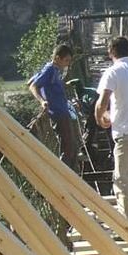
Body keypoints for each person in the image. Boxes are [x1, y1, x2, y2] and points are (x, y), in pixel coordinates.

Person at [95, 36, 128, 222]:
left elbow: (102, 101)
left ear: (111, 52)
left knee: (123, 180)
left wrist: (100, 117)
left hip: (124, 133)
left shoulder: (112, 72)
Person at [28, 43, 78, 171]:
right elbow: (33, 85)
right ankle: (65, 175)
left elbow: (30, 80)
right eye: (66, 60)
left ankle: (68, 175)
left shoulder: (54, 70)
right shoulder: (50, 70)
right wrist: (42, 101)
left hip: (62, 112)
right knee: (69, 147)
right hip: (57, 113)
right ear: (57, 58)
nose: (67, 64)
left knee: (71, 146)